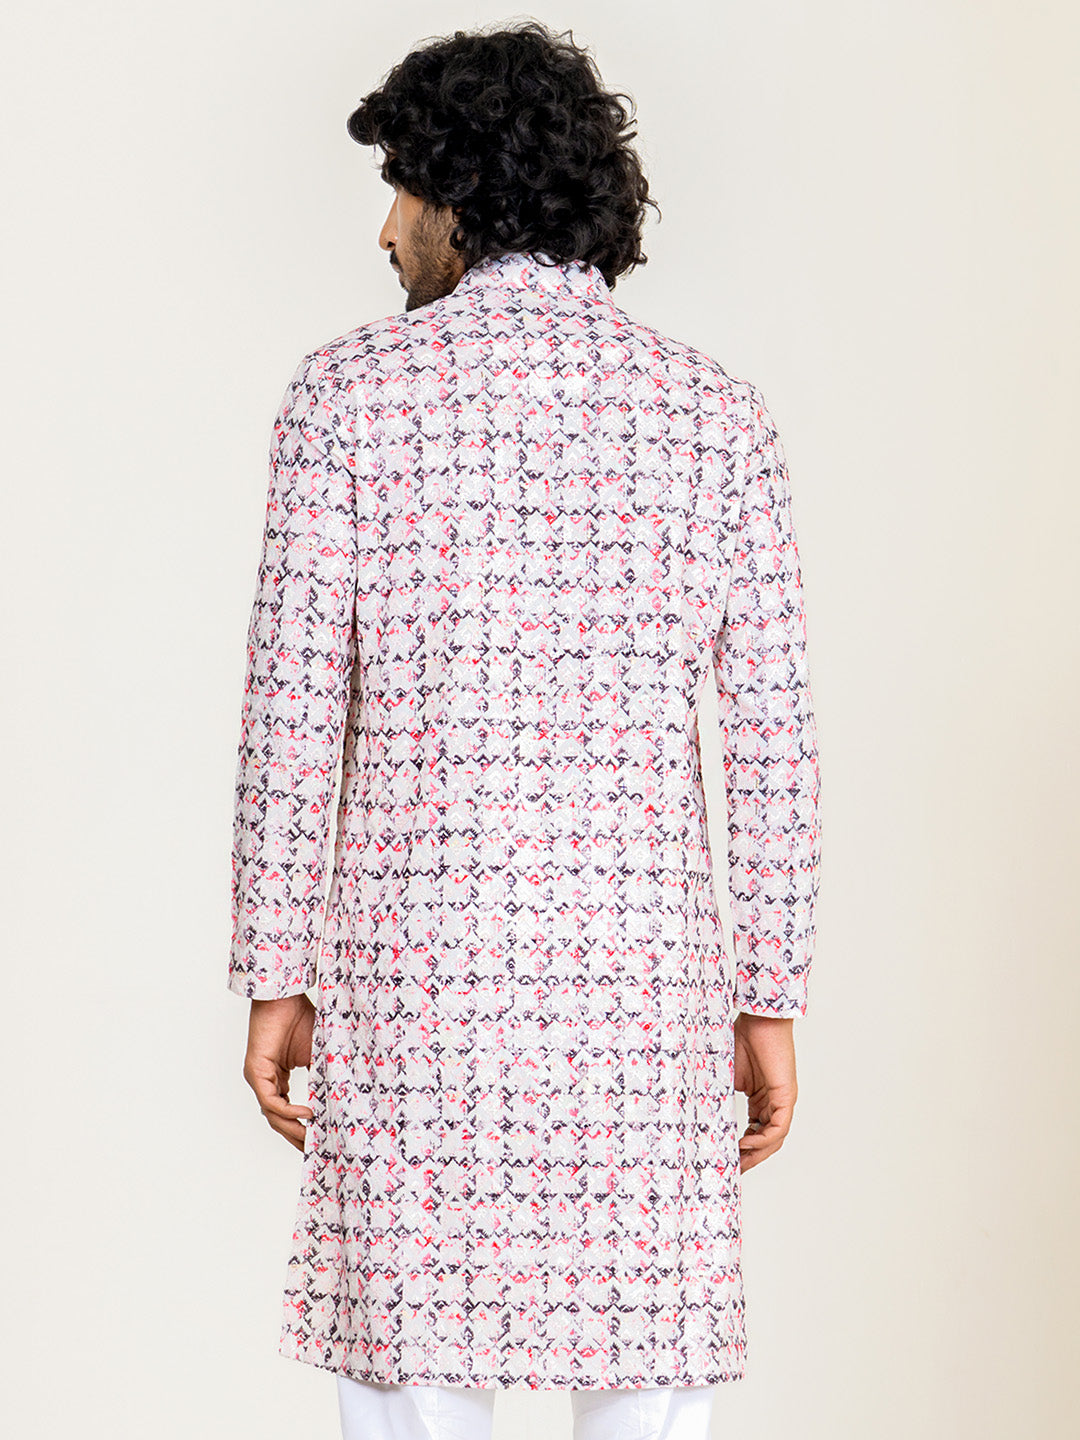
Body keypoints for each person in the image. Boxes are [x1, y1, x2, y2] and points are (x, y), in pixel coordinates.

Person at [228, 19, 822, 1440]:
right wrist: (769, 998)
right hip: (642, 1008)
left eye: (400, 189)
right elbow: (774, 746)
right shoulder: (715, 418)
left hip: (415, 995)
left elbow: (291, 716)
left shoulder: (347, 400)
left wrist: (273, 971)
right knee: (649, 1376)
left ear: (461, 194)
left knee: (411, 1371)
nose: (385, 230)